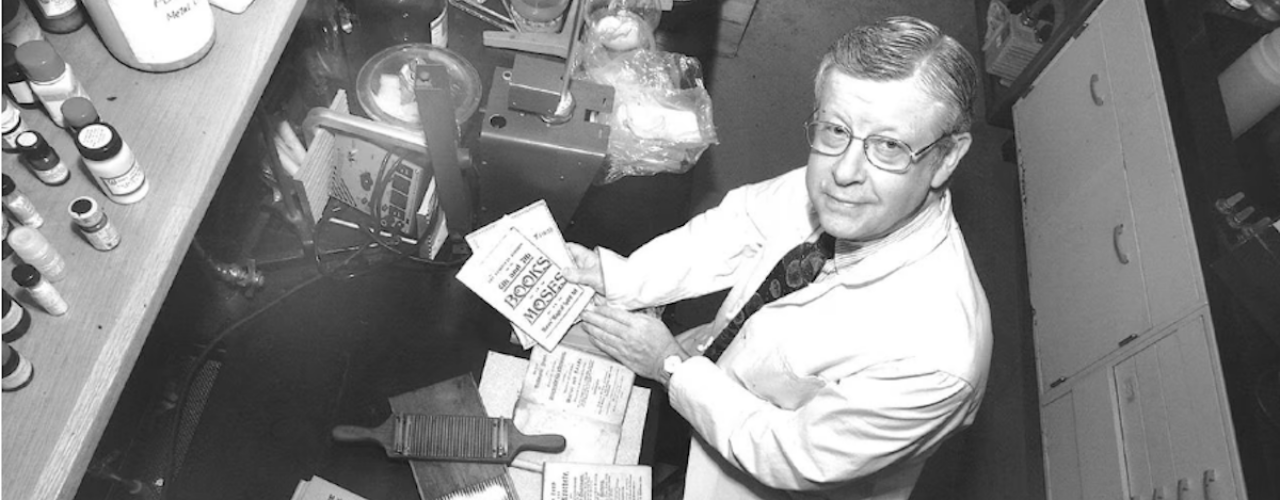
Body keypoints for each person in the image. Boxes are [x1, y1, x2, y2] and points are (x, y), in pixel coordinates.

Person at [563, 15, 993, 500]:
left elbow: (788, 453)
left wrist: (668, 365)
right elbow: (739, 224)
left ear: (949, 157)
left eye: (890, 145)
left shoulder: (937, 358)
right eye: (834, 129)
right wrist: (617, 276)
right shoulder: (852, 177)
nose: (844, 173)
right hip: (716, 380)